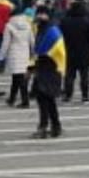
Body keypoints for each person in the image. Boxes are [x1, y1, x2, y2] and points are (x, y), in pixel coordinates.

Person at [31, 8, 64, 138]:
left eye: (41, 14)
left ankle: (45, 127)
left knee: (46, 98)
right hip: (44, 67)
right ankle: (54, 126)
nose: (39, 17)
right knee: (46, 99)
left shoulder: (51, 31)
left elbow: (54, 50)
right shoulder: (43, 29)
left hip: (49, 67)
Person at [60, 0, 89, 103]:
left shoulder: (65, 22)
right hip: (83, 52)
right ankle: (85, 96)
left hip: (69, 51)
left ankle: (68, 95)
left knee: (69, 75)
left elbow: (61, 37)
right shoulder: (86, 22)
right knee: (84, 76)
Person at [1, 2, 34, 108]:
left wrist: (1, 55)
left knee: (18, 77)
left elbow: (6, 42)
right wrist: (33, 52)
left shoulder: (9, 25)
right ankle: (12, 98)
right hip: (25, 52)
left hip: (14, 52)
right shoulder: (28, 24)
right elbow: (32, 40)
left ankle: (25, 101)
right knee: (17, 77)